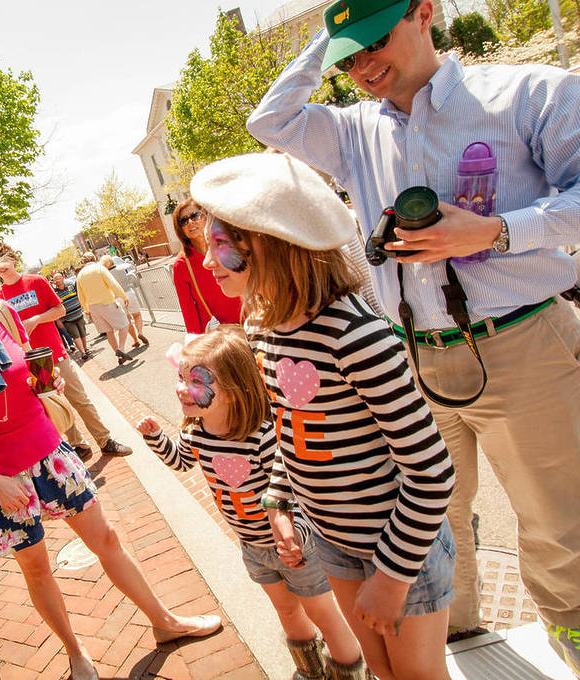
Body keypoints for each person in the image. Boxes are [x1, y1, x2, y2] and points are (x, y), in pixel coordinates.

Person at [247, 0, 580, 661]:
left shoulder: (528, 91)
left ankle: (570, 642)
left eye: (376, 40)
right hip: (412, 361)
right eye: (351, 54)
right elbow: (270, 119)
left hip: (523, 344)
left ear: (424, 11)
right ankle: (461, 644)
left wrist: (496, 230)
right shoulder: (350, 131)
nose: (364, 64)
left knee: (557, 530)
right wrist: (330, 36)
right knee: (434, 527)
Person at [194, 153, 455, 680]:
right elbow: (294, 432)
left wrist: (392, 577)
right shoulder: (263, 329)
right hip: (334, 544)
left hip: (401, 550)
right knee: (381, 671)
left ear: (269, 242)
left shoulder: (357, 338)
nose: (207, 262)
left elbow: (431, 474)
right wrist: (279, 502)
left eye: (221, 245)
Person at [0, 233, 222, 680]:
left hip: (47, 452)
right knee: (38, 569)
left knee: (109, 540)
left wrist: (46, 387)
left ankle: (165, 622)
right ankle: (76, 652)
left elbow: (25, 371)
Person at [137, 328, 366, 680]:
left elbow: (292, 490)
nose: (182, 388)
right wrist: (155, 436)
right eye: (181, 376)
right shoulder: (195, 432)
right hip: (253, 546)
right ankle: (311, 670)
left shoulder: (261, 435)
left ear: (233, 389)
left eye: (196, 380)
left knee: (323, 613)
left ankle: (351, 672)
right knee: (287, 612)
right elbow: (181, 461)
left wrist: (296, 536)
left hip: (294, 547)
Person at [0, 245, 132, 459]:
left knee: (79, 399)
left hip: (54, 352)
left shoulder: (35, 281)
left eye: (2, 258)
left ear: (12, 259)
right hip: (32, 362)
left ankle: (104, 440)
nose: (0, 265)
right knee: (54, 405)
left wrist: (36, 319)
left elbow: (60, 310)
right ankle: (79, 444)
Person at [171, 199, 245, 333]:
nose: (190, 222)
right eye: (184, 221)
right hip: (221, 336)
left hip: (250, 321)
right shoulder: (181, 265)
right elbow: (189, 311)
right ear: (180, 229)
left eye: (194, 216)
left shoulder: (229, 244)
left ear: (206, 216)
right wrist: (196, 343)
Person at [75, 252, 132, 365]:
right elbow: (113, 284)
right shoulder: (99, 268)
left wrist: (87, 309)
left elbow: (80, 295)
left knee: (108, 331)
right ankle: (121, 349)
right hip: (107, 303)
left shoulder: (80, 275)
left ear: (83, 262)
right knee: (124, 325)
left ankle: (119, 355)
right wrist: (123, 296)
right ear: (94, 259)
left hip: (93, 307)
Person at [101, 255, 149, 348]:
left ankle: (135, 340)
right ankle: (140, 332)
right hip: (128, 293)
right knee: (137, 315)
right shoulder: (121, 269)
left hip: (117, 298)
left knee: (127, 320)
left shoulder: (106, 275)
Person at [52, 271, 90, 358]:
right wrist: (58, 320)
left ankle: (85, 349)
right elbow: (54, 307)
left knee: (83, 333)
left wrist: (85, 307)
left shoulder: (71, 285)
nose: (57, 281)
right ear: (53, 281)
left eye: (59, 278)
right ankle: (83, 352)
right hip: (67, 319)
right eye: (55, 280)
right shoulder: (54, 292)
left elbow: (80, 295)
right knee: (75, 336)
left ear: (63, 277)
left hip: (78, 314)